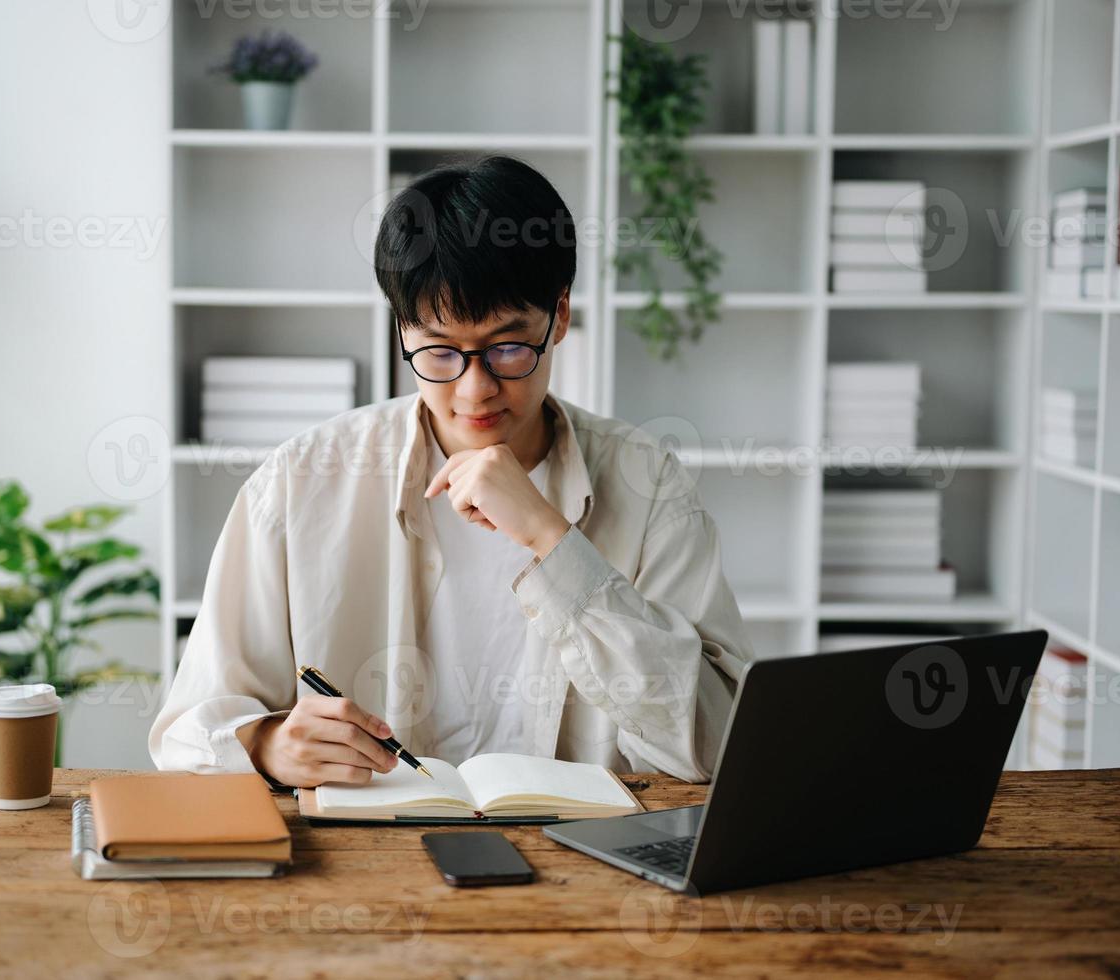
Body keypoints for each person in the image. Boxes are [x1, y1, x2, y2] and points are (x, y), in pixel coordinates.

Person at [149, 155, 753, 787]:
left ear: (562, 315)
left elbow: (721, 745)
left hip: (587, 869)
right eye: (439, 351)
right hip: (365, 867)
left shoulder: (648, 485)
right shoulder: (300, 483)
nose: (475, 390)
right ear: (402, 331)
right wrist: (268, 746)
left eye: (508, 347)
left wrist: (554, 541)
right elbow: (187, 732)